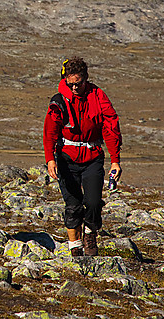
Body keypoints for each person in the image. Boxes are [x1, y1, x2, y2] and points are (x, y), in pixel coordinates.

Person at [43, 57, 122, 257]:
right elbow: (50, 131)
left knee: (94, 201)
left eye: (79, 83)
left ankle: (90, 232)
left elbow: (111, 126)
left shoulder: (98, 96)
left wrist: (115, 160)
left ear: (86, 78)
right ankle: (75, 247)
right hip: (66, 158)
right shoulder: (59, 101)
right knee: (73, 204)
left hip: (92, 157)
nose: (75, 88)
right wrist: (50, 159)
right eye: (71, 84)